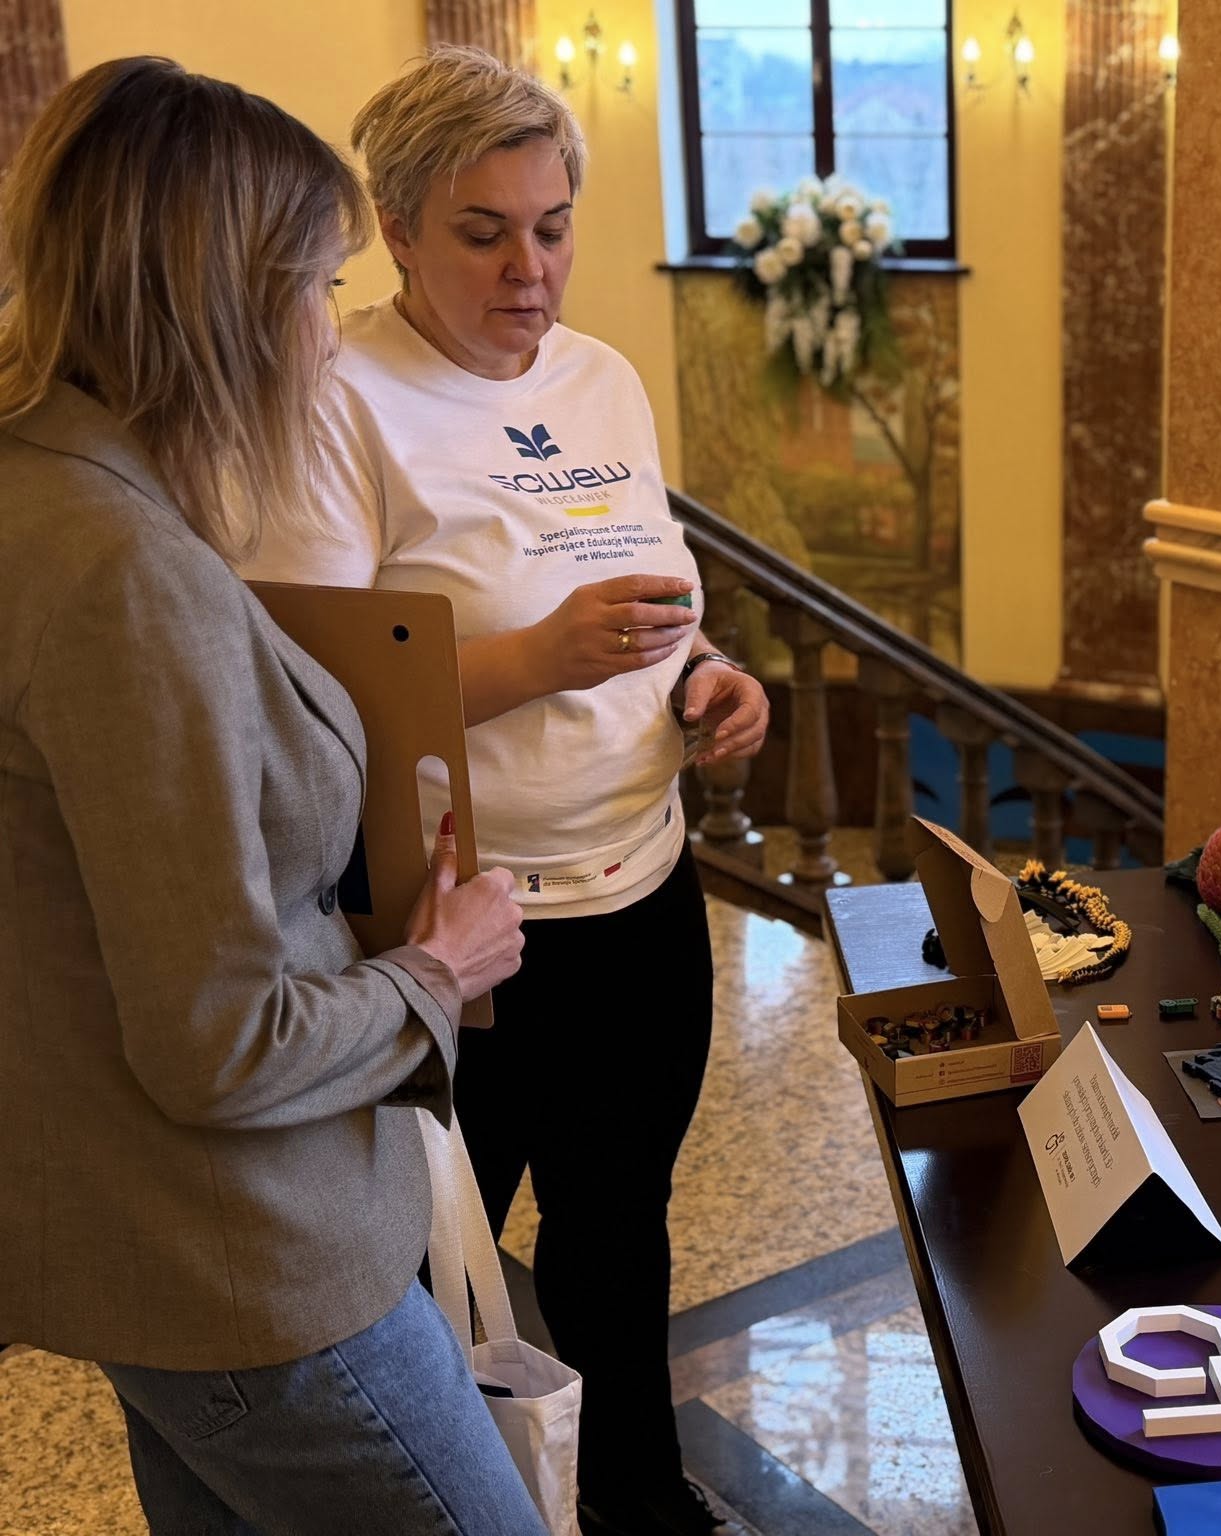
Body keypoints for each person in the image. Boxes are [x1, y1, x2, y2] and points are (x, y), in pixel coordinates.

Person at [0, 57, 544, 1535]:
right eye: (319, 287)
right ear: (222, 304)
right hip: (248, 1257)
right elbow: (218, 1042)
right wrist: (438, 971)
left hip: (144, 1242)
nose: (327, 332)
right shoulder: (123, 574)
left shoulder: (45, 484)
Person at [239, 46, 771, 1536]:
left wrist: (706, 676)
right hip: (460, 926)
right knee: (431, 1274)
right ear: (398, 230)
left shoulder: (601, 379)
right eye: (484, 233)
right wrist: (538, 659)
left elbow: (657, 595)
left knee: (620, 1234)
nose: (529, 270)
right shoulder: (336, 394)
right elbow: (306, 700)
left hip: (641, 890)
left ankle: (639, 1503)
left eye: (552, 226)